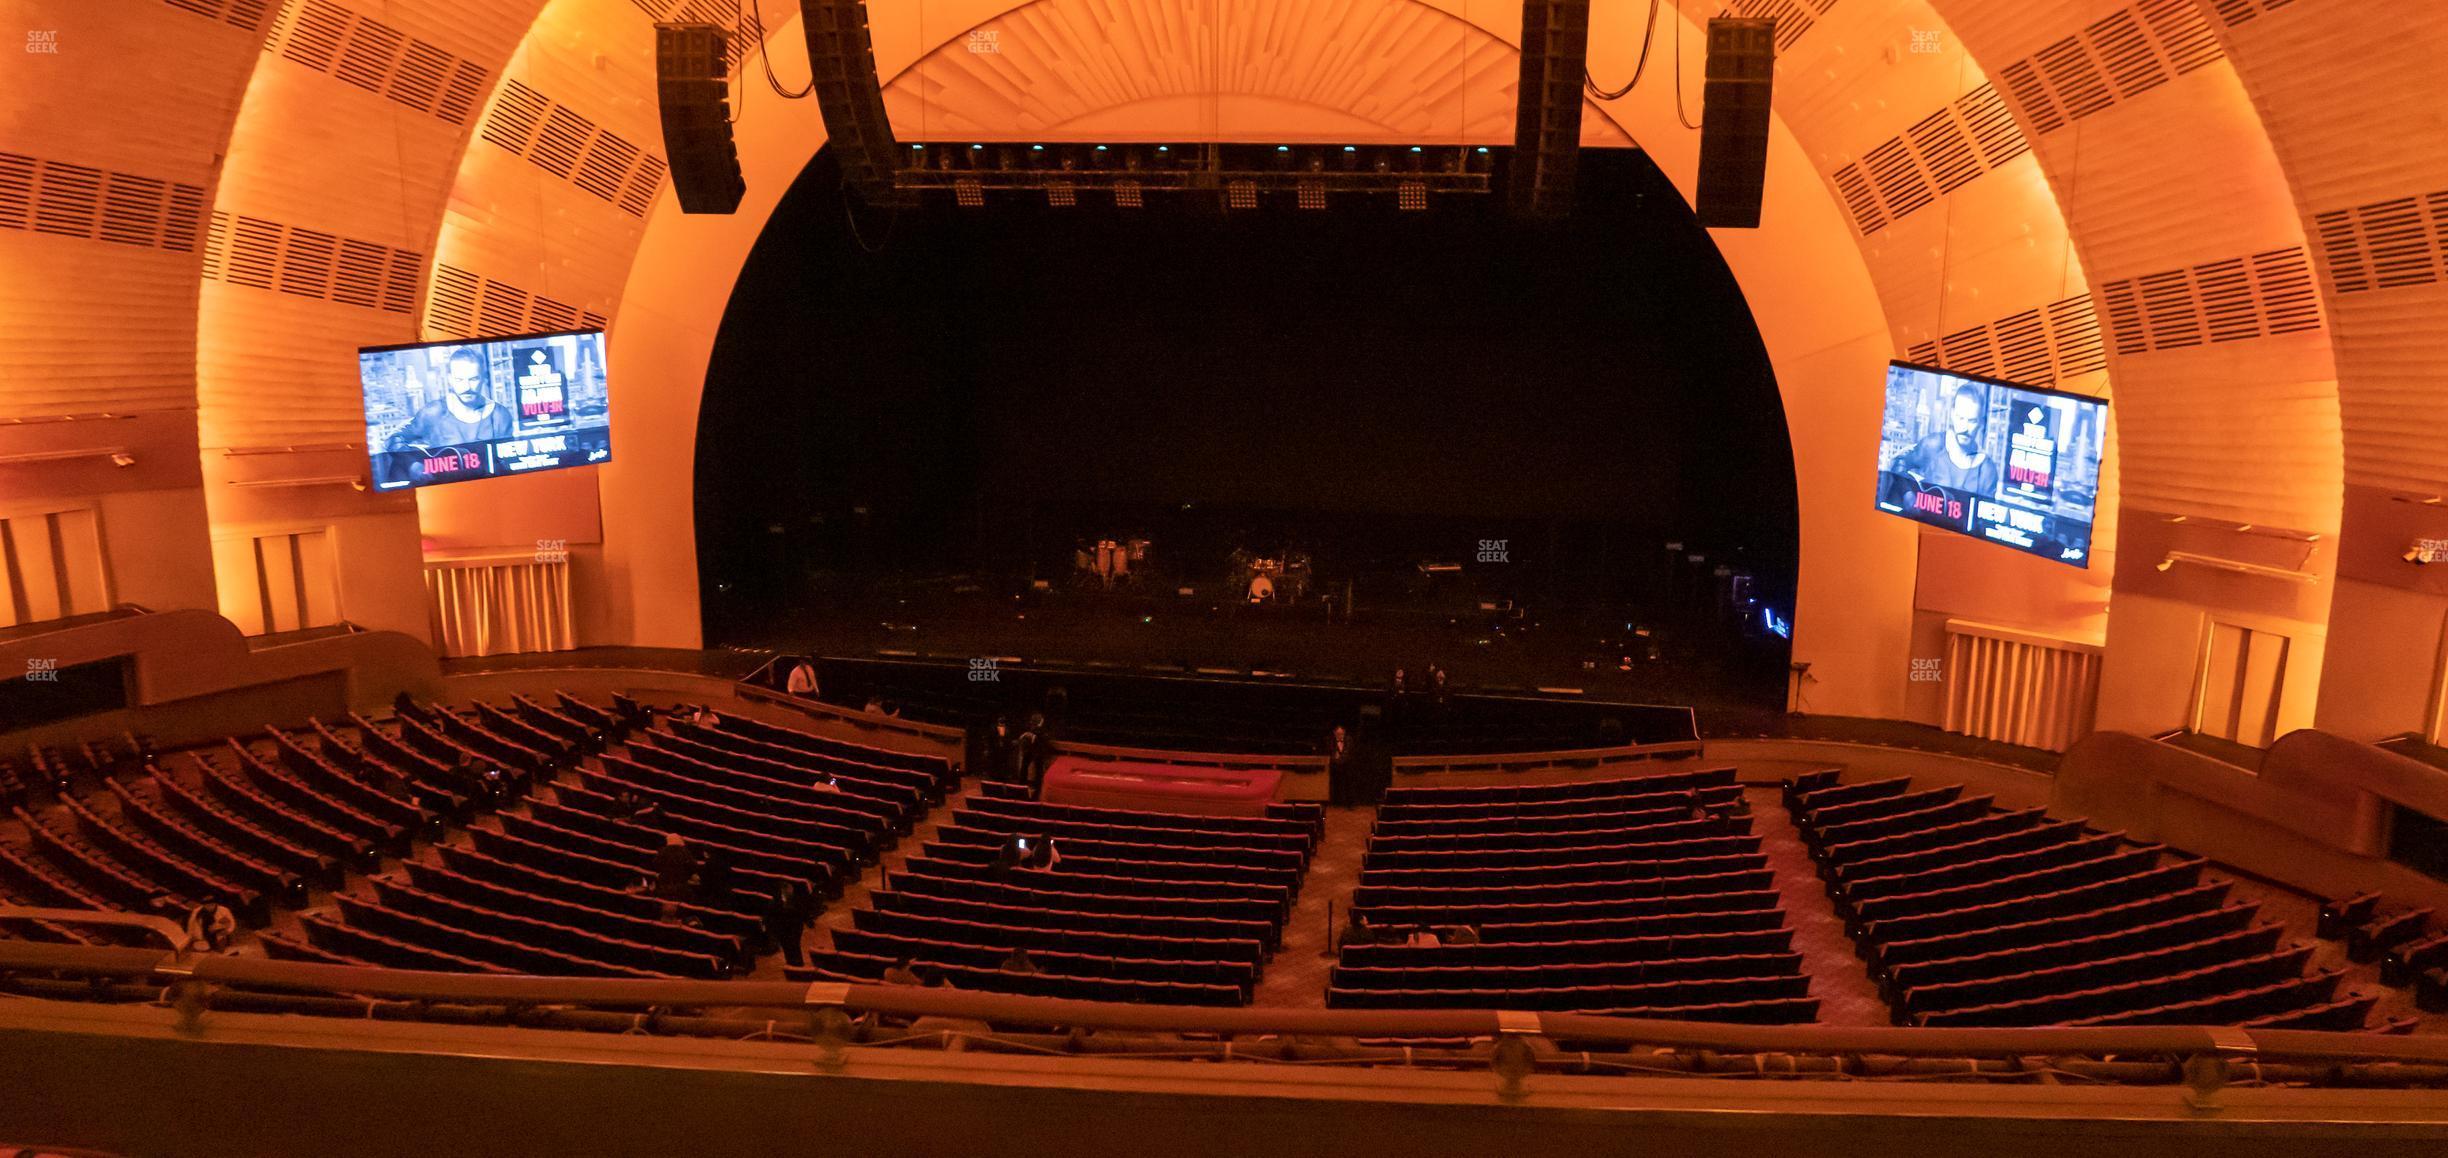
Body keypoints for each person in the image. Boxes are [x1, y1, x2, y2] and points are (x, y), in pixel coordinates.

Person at [391, 348, 513, 449]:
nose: (466, 387)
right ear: (450, 380)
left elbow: (506, 461)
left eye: (473, 379)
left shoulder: (499, 415)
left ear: (484, 379)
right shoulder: (433, 412)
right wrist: (415, 466)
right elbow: (394, 440)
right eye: (459, 380)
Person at [1897, 380, 2003, 495]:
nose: (1964, 428)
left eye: (1972, 421)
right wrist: (1907, 494)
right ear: (1952, 414)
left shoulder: (1987, 470)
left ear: (1981, 422)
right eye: (1960, 418)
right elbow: (1898, 464)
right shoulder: (1933, 445)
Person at [762, 885, 806, 967]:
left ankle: (796, 964)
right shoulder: (776, 904)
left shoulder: (790, 903)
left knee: (793, 947)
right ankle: (794, 964)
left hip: (790, 930)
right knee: (790, 948)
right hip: (785, 930)